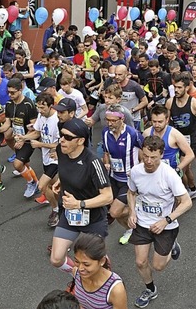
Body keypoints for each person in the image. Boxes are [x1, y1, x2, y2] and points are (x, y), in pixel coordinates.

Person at [127, 135, 193, 308]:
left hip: (166, 226)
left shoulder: (169, 175)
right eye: (146, 156)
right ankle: (150, 290)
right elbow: (131, 193)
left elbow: (187, 202)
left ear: (161, 155)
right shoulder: (136, 171)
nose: (148, 161)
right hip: (142, 223)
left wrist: (166, 220)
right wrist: (132, 212)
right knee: (140, 262)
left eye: (153, 157)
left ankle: (172, 246)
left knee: (158, 266)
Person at [50, 118, 113, 274]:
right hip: (70, 214)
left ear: (80, 141)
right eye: (61, 135)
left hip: (93, 218)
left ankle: (105, 280)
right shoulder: (61, 150)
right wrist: (60, 181)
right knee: (56, 259)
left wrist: (79, 204)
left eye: (68, 137)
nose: (62, 140)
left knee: (95, 262)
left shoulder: (93, 162)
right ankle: (79, 276)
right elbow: (67, 170)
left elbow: (108, 196)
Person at [102, 104, 144, 245]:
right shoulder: (105, 133)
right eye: (108, 120)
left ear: (122, 119)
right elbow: (106, 153)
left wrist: (139, 171)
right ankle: (130, 229)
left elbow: (144, 154)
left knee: (114, 212)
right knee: (115, 210)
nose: (110, 123)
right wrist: (106, 163)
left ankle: (138, 211)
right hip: (114, 177)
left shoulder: (132, 134)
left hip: (129, 180)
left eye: (113, 120)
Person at [0, 78, 40, 197]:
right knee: (24, 164)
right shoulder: (9, 104)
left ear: (20, 90)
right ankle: (36, 183)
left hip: (29, 138)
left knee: (17, 164)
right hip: (18, 137)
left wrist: (24, 138)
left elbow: (35, 129)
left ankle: (31, 183)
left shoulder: (28, 104)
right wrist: (1, 129)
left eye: (13, 93)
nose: (10, 95)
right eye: (8, 92)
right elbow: (8, 123)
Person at [22, 93, 61, 225]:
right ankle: (63, 207)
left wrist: (40, 144)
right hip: (45, 157)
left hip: (55, 158)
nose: (40, 111)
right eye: (38, 107)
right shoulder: (41, 116)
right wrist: (23, 138)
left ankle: (56, 210)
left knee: (42, 186)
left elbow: (61, 145)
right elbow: (37, 132)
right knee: (55, 186)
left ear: (51, 106)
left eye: (43, 108)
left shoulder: (57, 120)